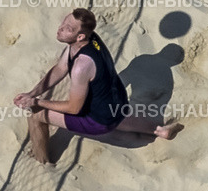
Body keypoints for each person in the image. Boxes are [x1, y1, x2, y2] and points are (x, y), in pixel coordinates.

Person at [13, 9, 181, 163]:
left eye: (68, 29)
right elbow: (60, 69)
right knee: (114, 115)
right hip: (118, 103)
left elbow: (73, 108)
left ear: (79, 37)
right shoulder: (91, 38)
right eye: (63, 23)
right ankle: (160, 131)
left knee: (36, 116)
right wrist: (32, 93)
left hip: (97, 121)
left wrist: (36, 103)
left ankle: (42, 162)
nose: (60, 29)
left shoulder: (82, 66)